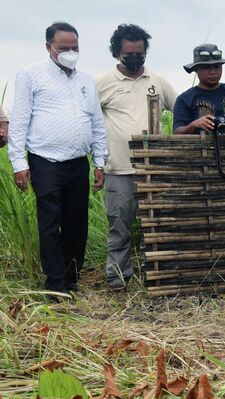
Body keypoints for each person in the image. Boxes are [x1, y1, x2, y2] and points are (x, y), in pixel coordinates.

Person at [8, 22, 107, 295]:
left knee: (77, 223)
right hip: (45, 161)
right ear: (49, 47)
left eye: (74, 47)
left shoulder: (86, 80)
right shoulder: (31, 75)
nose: (70, 52)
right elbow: (19, 121)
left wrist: (100, 162)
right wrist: (19, 164)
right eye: (64, 48)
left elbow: (96, 123)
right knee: (50, 222)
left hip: (78, 162)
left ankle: (71, 280)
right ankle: (55, 285)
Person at [96, 24, 178, 290]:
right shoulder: (103, 83)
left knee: (157, 226)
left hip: (153, 168)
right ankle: (118, 280)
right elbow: (89, 120)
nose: (134, 58)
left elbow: (182, 109)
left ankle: (155, 277)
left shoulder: (157, 81)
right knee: (119, 227)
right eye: (128, 53)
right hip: (118, 169)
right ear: (117, 52)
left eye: (139, 53)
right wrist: (97, 159)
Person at [173, 43, 225, 135]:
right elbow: (177, 131)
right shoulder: (185, 99)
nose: (213, 72)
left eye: (217, 67)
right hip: (199, 148)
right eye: (206, 67)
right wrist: (194, 125)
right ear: (196, 69)